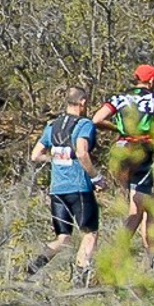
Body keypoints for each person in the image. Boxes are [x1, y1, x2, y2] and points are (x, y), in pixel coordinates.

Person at [26, 89, 103, 285]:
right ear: (83, 102)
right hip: (79, 188)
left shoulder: (52, 125)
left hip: (57, 189)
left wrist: (55, 158)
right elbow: (82, 152)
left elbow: (35, 155)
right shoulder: (84, 124)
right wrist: (96, 178)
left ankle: (34, 266)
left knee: (63, 237)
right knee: (89, 233)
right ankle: (80, 281)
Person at [97, 64, 154, 251]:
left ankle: (144, 255)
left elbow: (96, 119)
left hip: (120, 150)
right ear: (152, 81)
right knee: (142, 208)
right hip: (141, 151)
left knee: (137, 203)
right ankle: (125, 252)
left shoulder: (119, 98)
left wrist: (118, 129)